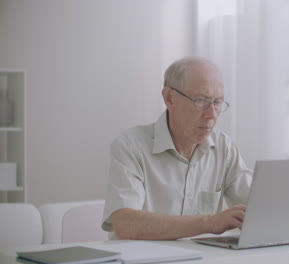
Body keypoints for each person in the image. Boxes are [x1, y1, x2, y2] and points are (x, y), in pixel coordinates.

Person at [101, 56, 252, 240]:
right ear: (169, 98)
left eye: (217, 102)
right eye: (201, 100)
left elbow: (258, 208)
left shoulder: (223, 147)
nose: (211, 114)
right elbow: (125, 223)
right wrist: (210, 223)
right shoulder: (130, 146)